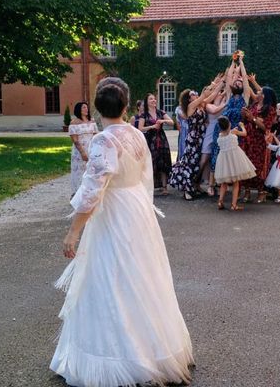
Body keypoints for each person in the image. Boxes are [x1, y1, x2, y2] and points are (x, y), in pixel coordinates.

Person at [52, 77, 194, 387]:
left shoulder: (103, 140)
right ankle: (156, 348)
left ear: (99, 108)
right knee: (141, 276)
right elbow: (145, 178)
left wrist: (73, 231)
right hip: (136, 209)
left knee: (110, 278)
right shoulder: (136, 135)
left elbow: (92, 191)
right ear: (127, 106)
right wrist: (142, 208)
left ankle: (119, 355)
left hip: (114, 211)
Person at [169, 75, 224, 200]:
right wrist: (214, 83)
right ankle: (187, 190)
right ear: (189, 99)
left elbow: (212, 94)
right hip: (193, 138)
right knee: (191, 163)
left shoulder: (201, 104)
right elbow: (205, 95)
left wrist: (222, 83)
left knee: (198, 164)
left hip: (201, 137)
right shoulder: (191, 106)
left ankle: (194, 186)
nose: (195, 94)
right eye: (193, 94)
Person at [241, 85, 277, 203]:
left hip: (259, 140)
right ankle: (247, 191)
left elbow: (266, 127)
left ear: (265, 96)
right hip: (248, 139)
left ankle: (261, 192)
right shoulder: (253, 105)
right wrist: (244, 115)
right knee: (246, 165)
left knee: (258, 165)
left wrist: (253, 118)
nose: (257, 93)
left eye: (260, 92)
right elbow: (246, 121)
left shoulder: (270, 109)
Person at [214, 116, 256, 211]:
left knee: (224, 183)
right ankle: (233, 205)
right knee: (236, 182)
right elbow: (244, 134)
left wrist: (231, 130)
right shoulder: (234, 132)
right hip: (235, 158)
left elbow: (227, 134)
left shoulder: (220, 136)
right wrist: (242, 126)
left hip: (223, 160)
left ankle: (220, 201)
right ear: (229, 124)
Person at [138, 93, 174, 194]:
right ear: (147, 102)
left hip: (161, 139)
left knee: (163, 161)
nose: (154, 100)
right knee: (151, 162)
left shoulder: (160, 112)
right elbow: (140, 128)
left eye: (154, 99)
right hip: (150, 140)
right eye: (151, 99)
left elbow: (171, 122)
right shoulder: (143, 114)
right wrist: (152, 126)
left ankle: (164, 187)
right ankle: (150, 186)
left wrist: (162, 121)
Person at [68, 101, 99, 197]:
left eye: (86, 107)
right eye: (84, 107)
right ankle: (77, 193)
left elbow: (96, 136)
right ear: (79, 110)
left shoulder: (92, 121)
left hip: (91, 149)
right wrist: (82, 153)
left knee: (91, 171)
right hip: (79, 151)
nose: (86, 109)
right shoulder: (74, 123)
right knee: (79, 172)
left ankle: (89, 193)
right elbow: (75, 141)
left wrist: (96, 149)